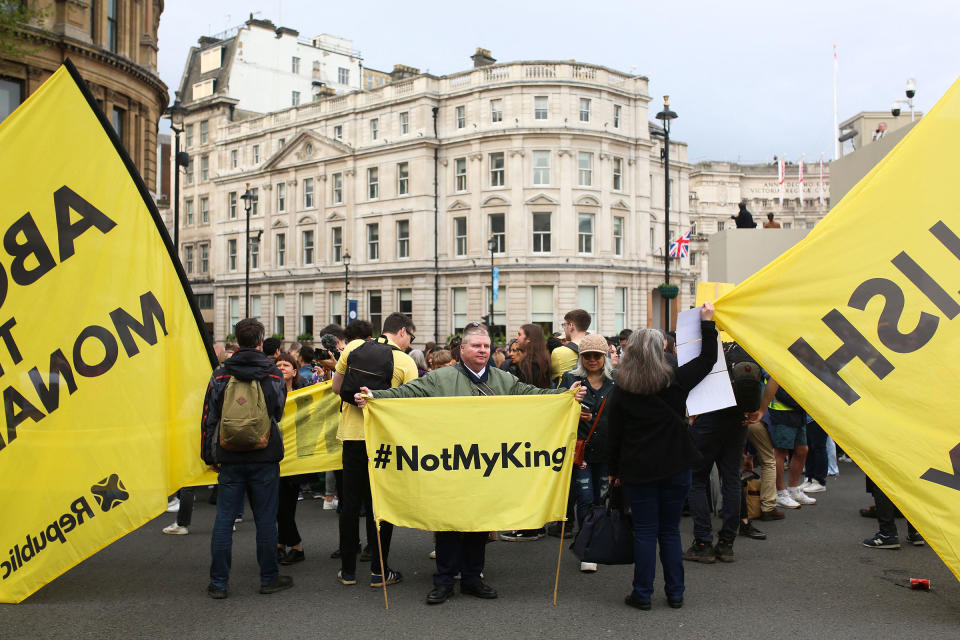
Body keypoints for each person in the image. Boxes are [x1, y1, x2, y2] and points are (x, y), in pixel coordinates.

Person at [355, 322, 586, 605]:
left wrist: (564, 397)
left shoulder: (504, 380)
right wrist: (375, 397)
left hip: (484, 466)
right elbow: (408, 393)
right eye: (476, 346)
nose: (483, 350)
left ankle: (473, 578)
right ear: (462, 349)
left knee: (479, 521)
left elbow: (532, 396)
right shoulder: (439, 379)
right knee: (447, 521)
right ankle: (443, 580)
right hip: (450, 465)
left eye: (487, 346)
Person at [607, 302, 717, 611]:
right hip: (675, 463)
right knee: (670, 531)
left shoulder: (621, 389)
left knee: (644, 531)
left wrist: (614, 470)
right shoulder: (675, 380)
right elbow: (708, 359)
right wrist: (707, 323)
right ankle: (675, 592)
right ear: (662, 349)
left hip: (638, 467)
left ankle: (642, 594)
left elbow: (613, 435)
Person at [200, 318, 292, 599]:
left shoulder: (220, 374)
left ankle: (218, 582)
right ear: (261, 342)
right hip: (264, 454)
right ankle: (268, 578)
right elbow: (277, 412)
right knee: (265, 519)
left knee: (225, 519)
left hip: (229, 453)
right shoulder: (273, 374)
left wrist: (209, 454)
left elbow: (209, 417)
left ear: (237, 341)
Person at [332, 312, 418, 588]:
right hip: (382, 442)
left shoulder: (353, 348)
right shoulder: (405, 362)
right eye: (411, 337)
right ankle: (379, 571)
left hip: (352, 437)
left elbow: (336, 388)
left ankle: (347, 571)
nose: (410, 342)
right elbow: (409, 408)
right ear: (402, 331)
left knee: (349, 504)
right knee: (379, 505)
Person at [560, 333, 615, 572]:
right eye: (587, 356)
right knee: (585, 499)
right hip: (580, 450)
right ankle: (587, 547)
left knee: (601, 499)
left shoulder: (616, 382)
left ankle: (596, 542)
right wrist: (571, 404)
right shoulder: (571, 379)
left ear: (605, 357)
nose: (592, 360)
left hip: (606, 451)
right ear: (581, 358)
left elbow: (622, 415)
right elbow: (556, 407)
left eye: (597, 356)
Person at [501, 323, 553, 542]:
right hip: (538, 425)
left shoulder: (524, 367)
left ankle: (528, 527)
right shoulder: (543, 361)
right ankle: (534, 524)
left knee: (522, 477)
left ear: (529, 340)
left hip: (522, 425)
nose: (517, 337)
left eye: (520, 335)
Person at [274, 354, 309, 565]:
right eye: (278, 365)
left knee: (288, 503)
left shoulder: (302, 394)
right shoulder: (269, 392)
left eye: (286, 365)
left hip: (296, 455)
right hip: (275, 455)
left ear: (294, 372)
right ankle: (293, 545)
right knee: (278, 503)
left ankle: (283, 544)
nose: (282, 367)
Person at [551, 310, 590, 385]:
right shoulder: (597, 350)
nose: (564, 328)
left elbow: (554, 378)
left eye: (564, 325)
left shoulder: (558, 352)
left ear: (571, 326)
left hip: (569, 394)